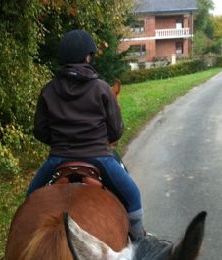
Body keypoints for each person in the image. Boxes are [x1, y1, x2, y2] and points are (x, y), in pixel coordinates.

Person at [27, 29, 145, 241]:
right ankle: (141, 243)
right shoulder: (101, 88)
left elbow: (40, 131)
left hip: (57, 159)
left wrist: (59, 142)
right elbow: (116, 130)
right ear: (88, 57)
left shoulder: (48, 90)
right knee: (133, 196)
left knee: (29, 202)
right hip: (99, 157)